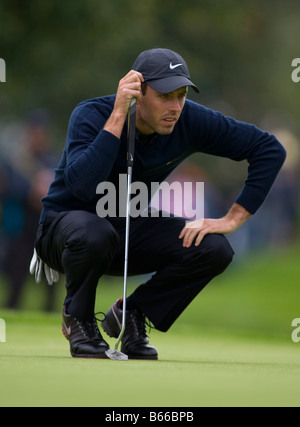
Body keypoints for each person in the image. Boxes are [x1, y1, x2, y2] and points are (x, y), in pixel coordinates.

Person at [32, 48, 286, 359]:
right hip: (66, 229)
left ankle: (133, 314)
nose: (176, 106)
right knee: (93, 231)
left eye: (181, 95)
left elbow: (268, 148)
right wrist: (118, 116)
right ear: (137, 92)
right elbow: (82, 187)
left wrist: (232, 219)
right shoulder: (92, 115)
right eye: (165, 96)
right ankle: (79, 320)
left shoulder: (188, 120)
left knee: (214, 249)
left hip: (125, 229)